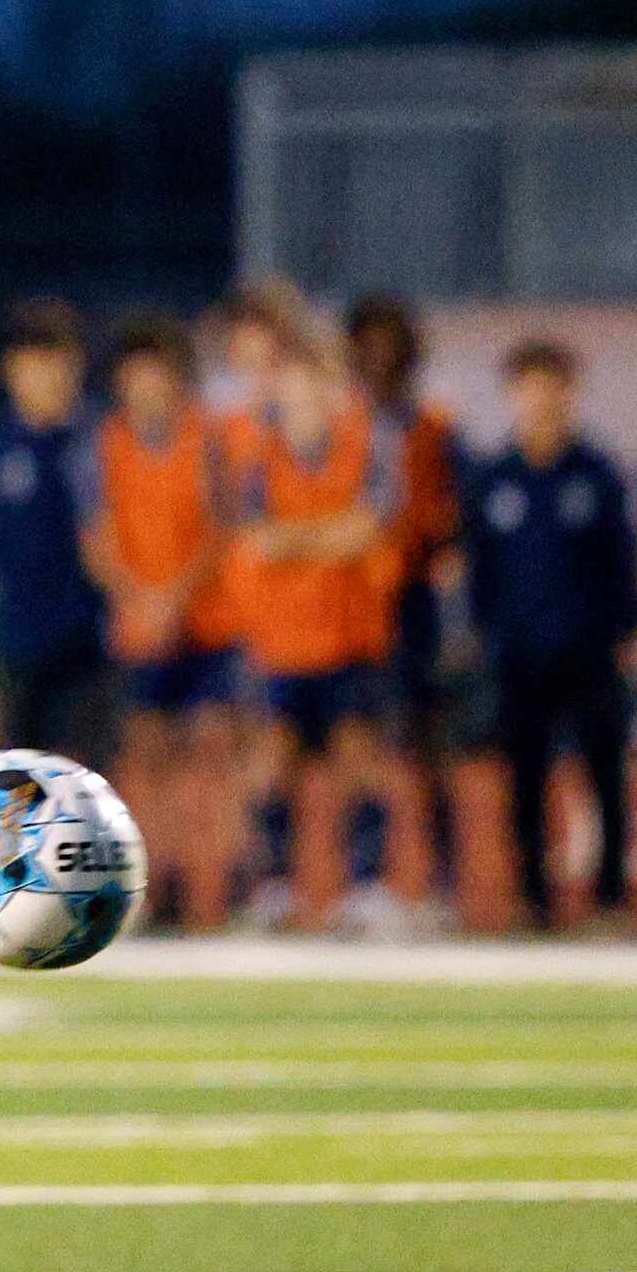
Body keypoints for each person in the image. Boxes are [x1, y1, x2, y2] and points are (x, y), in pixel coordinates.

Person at [233, 319, 403, 930]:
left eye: (315, 388)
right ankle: (274, 887)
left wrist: (296, 539)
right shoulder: (258, 460)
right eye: (292, 389)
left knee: (359, 760)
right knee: (270, 766)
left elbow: (366, 529)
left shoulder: (370, 447)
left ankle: (366, 887)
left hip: (352, 635)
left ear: (336, 391)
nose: (302, 402)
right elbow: (254, 541)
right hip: (282, 643)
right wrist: (325, 537)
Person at [461, 339, 635, 929]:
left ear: (569, 392)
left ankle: (609, 897)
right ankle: (533, 898)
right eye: (526, 386)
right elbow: (482, 568)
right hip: (518, 653)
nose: (537, 399)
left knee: (603, 771)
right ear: (512, 395)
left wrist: (627, 631)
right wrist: (483, 632)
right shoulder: (496, 478)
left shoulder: (597, 473)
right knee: (526, 775)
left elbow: (620, 561)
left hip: (589, 649)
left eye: (549, 386)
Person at [82, 311, 243, 928]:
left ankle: (229, 881)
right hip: (141, 628)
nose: (146, 387)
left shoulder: (207, 440)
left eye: (158, 374)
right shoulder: (107, 447)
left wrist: (175, 594)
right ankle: (158, 884)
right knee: (147, 756)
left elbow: (221, 527)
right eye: (135, 375)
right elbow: (96, 539)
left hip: (205, 623)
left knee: (212, 747)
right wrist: (141, 596)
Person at [347, 293, 465, 912]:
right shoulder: (343, 429)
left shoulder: (434, 428)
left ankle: (442, 881)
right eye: (368, 346)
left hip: (412, 603)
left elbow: (453, 521)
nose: (378, 359)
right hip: (349, 603)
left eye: (390, 346)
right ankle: (371, 880)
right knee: (363, 746)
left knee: (427, 746)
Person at [0, 297, 108, 761]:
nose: (45, 377)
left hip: (91, 639)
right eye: (32, 364)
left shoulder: (100, 441)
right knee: (19, 778)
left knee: (88, 777)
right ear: (9, 370)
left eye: (56, 363)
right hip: (18, 638)